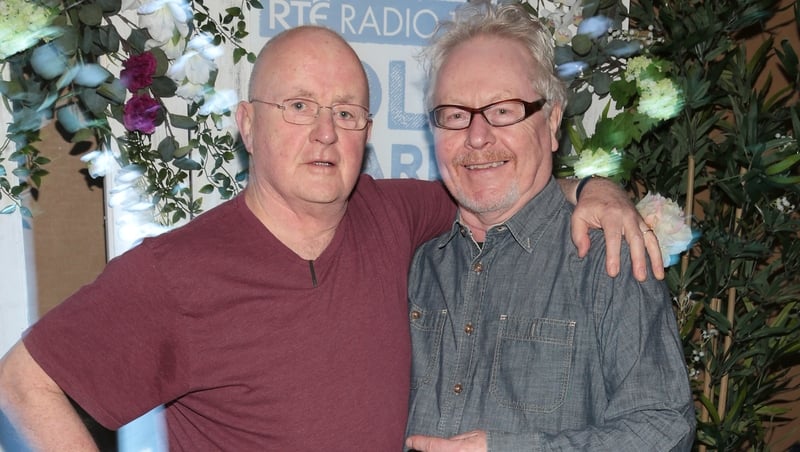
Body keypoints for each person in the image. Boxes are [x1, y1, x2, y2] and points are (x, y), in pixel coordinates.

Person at [0, 25, 660, 451]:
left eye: (345, 113)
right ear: (246, 125)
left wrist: (594, 189)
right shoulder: (175, 270)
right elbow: (26, 382)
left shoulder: (395, 215)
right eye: (299, 106)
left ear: (366, 132)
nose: (325, 132)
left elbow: (494, 179)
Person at [404, 3, 695, 451]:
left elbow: (663, 428)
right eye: (456, 114)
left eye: (503, 110)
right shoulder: (413, 259)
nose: (477, 137)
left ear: (553, 122)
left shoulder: (606, 255)